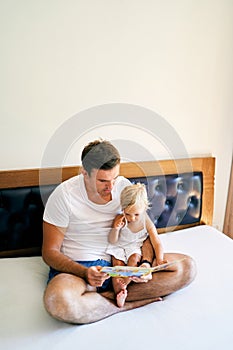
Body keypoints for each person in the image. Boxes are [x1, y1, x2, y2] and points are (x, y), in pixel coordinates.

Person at [42, 139, 196, 324]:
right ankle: (126, 304)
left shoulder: (124, 187)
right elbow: (49, 253)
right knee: (58, 302)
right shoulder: (64, 196)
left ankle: (104, 299)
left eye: (114, 178)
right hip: (80, 272)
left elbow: (144, 231)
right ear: (84, 173)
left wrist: (145, 264)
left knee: (187, 267)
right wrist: (85, 272)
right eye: (103, 181)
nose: (111, 187)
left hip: (121, 265)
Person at [106, 183, 167, 307]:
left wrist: (160, 259)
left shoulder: (146, 221)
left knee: (134, 259)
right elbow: (112, 240)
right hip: (118, 246)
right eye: (127, 214)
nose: (132, 218)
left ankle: (125, 284)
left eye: (136, 214)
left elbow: (156, 242)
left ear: (144, 208)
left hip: (133, 247)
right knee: (117, 266)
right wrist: (116, 229)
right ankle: (119, 293)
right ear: (122, 209)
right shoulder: (120, 219)